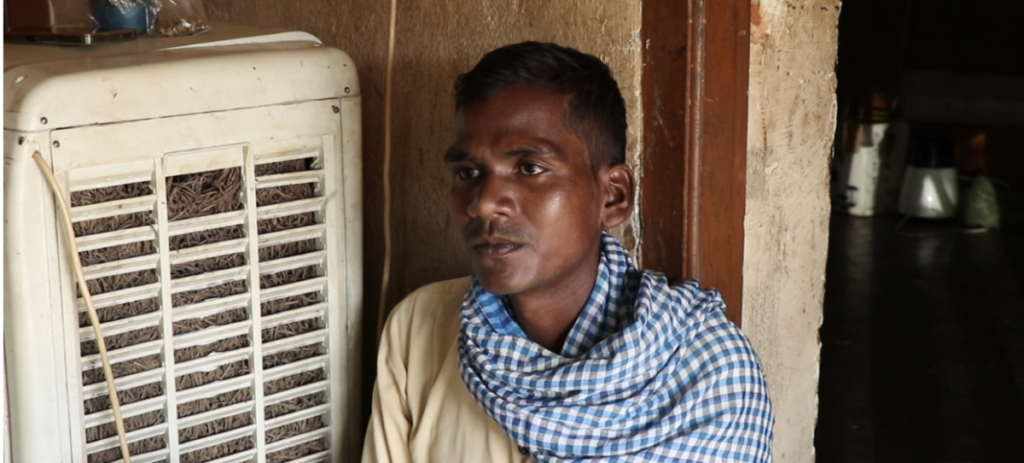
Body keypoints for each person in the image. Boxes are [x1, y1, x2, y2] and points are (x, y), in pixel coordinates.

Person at [362, 41, 774, 463]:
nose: (483, 203)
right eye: (468, 172)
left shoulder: (708, 372)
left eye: (530, 168)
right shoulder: (420, 327)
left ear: (613, 196)